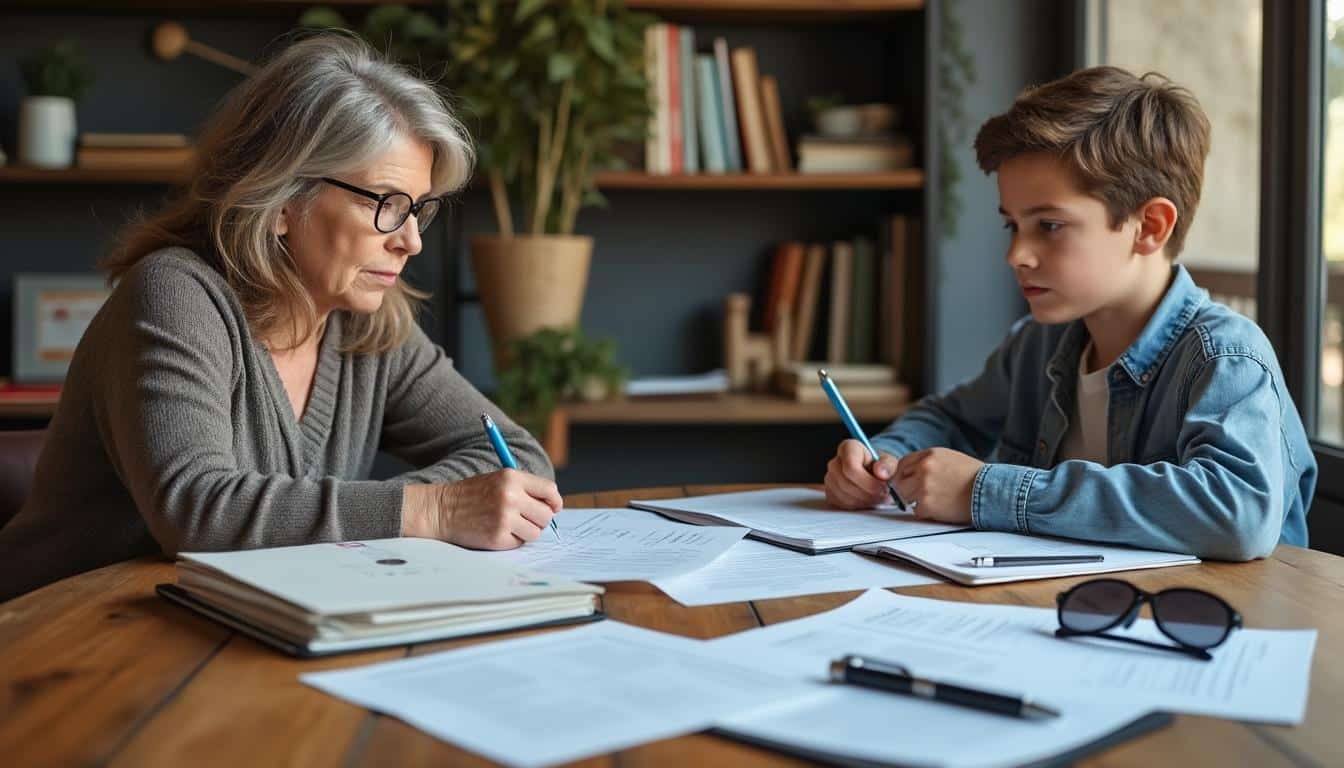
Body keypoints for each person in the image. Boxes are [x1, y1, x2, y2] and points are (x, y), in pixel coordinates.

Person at [0, 34, 560, 603]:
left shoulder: (369, 324)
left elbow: (518, 457)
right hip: (62, 625)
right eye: (385, 204)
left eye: (418, 209)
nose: (411, 241)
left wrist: (430, 506)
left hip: (227, 617)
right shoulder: (176, 295)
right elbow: (196, 511)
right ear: (283, 201)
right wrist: (430, 508)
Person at [824, 66, 1316, 561]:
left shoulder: (1225, 357)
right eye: (1013, 226)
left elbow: (1237, 514)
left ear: (1150, 226)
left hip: (1197, 610)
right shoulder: (1037, 346)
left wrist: (985, 490)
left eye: (1050, 225)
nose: (1016, 255)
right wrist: (884, 456)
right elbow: (949, 418)